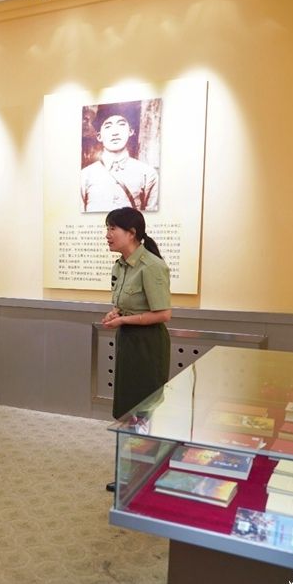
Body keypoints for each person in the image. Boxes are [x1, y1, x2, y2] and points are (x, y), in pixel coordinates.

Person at [100, 207, 171, 491]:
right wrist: (114, 313)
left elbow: (163, 314)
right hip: (128, 343)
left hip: (148, 346)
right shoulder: (120, 265)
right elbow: (124, 304)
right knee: (128, 410)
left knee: (145, 411)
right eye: (107, 228)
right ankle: (130, 475)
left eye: (112, 228)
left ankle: (145, 476)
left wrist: (123, 320)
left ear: (131, 233)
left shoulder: (152, 266)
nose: (107, 235)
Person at [80, 103, 159, 213]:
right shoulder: (85, 176)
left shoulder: (148, 174)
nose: (115, 132)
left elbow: (152, 218)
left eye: (121, 124)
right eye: (108, 126)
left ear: (131, 131)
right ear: (99, 136)